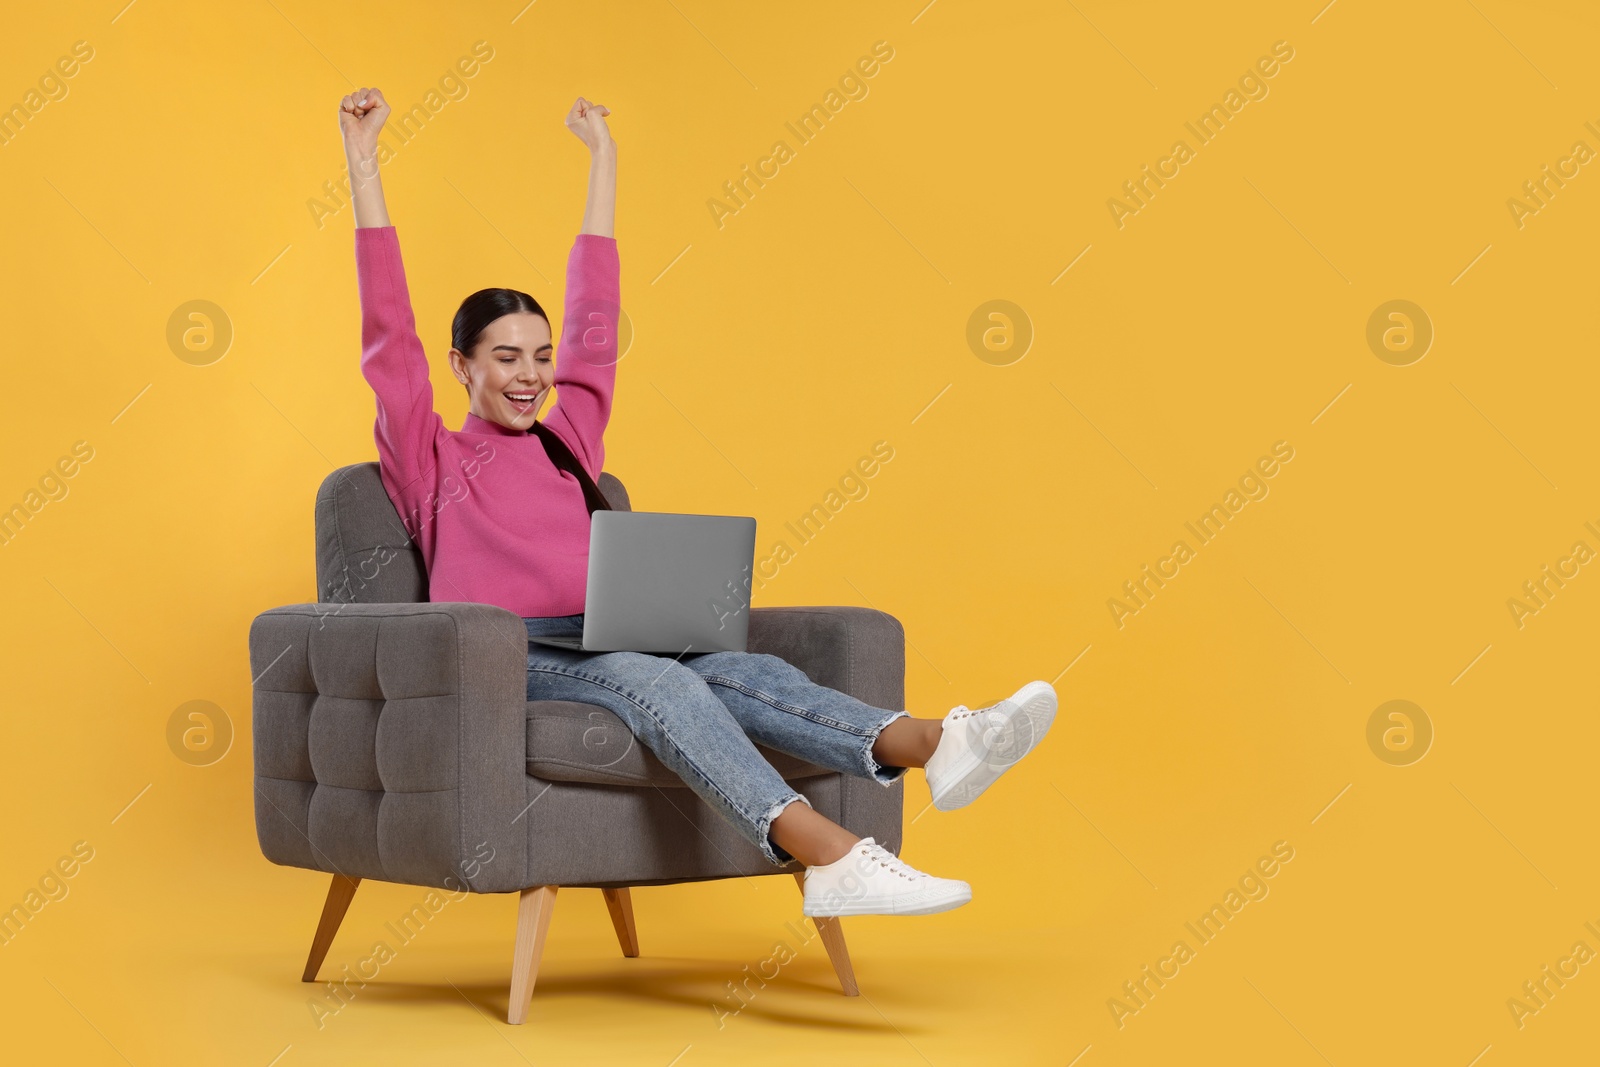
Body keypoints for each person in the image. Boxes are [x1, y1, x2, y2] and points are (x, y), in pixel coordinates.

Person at [337, 87, 1058, 917]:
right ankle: (829, 855)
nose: (531, 373)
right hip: (505, 654)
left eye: (539, 355)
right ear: (462, 368)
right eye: (505, 357)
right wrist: (364, 163)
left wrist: (604, 160)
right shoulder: (429, 453)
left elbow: (595, 321)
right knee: (665, 684)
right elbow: (389, 334)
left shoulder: (570, 438)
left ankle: (941, 743)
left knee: (750, 670)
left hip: (601, 635)